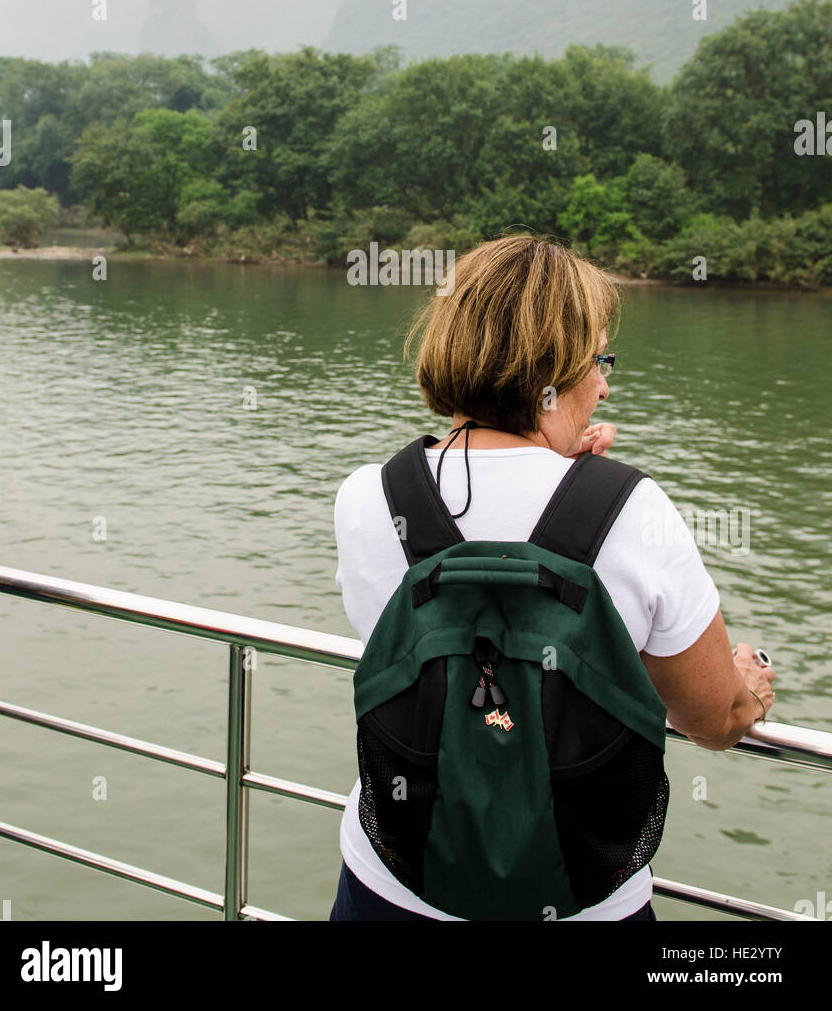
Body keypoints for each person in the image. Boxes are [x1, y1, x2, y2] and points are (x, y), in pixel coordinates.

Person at [330, 235, 776, 921]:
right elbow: (712, 719)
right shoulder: (631, 510)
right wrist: (747, 690)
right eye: (598, 359)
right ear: (554, 371)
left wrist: (562, 461)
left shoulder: (370, 495)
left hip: (391, 883)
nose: (605, 382)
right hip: (581, 903)